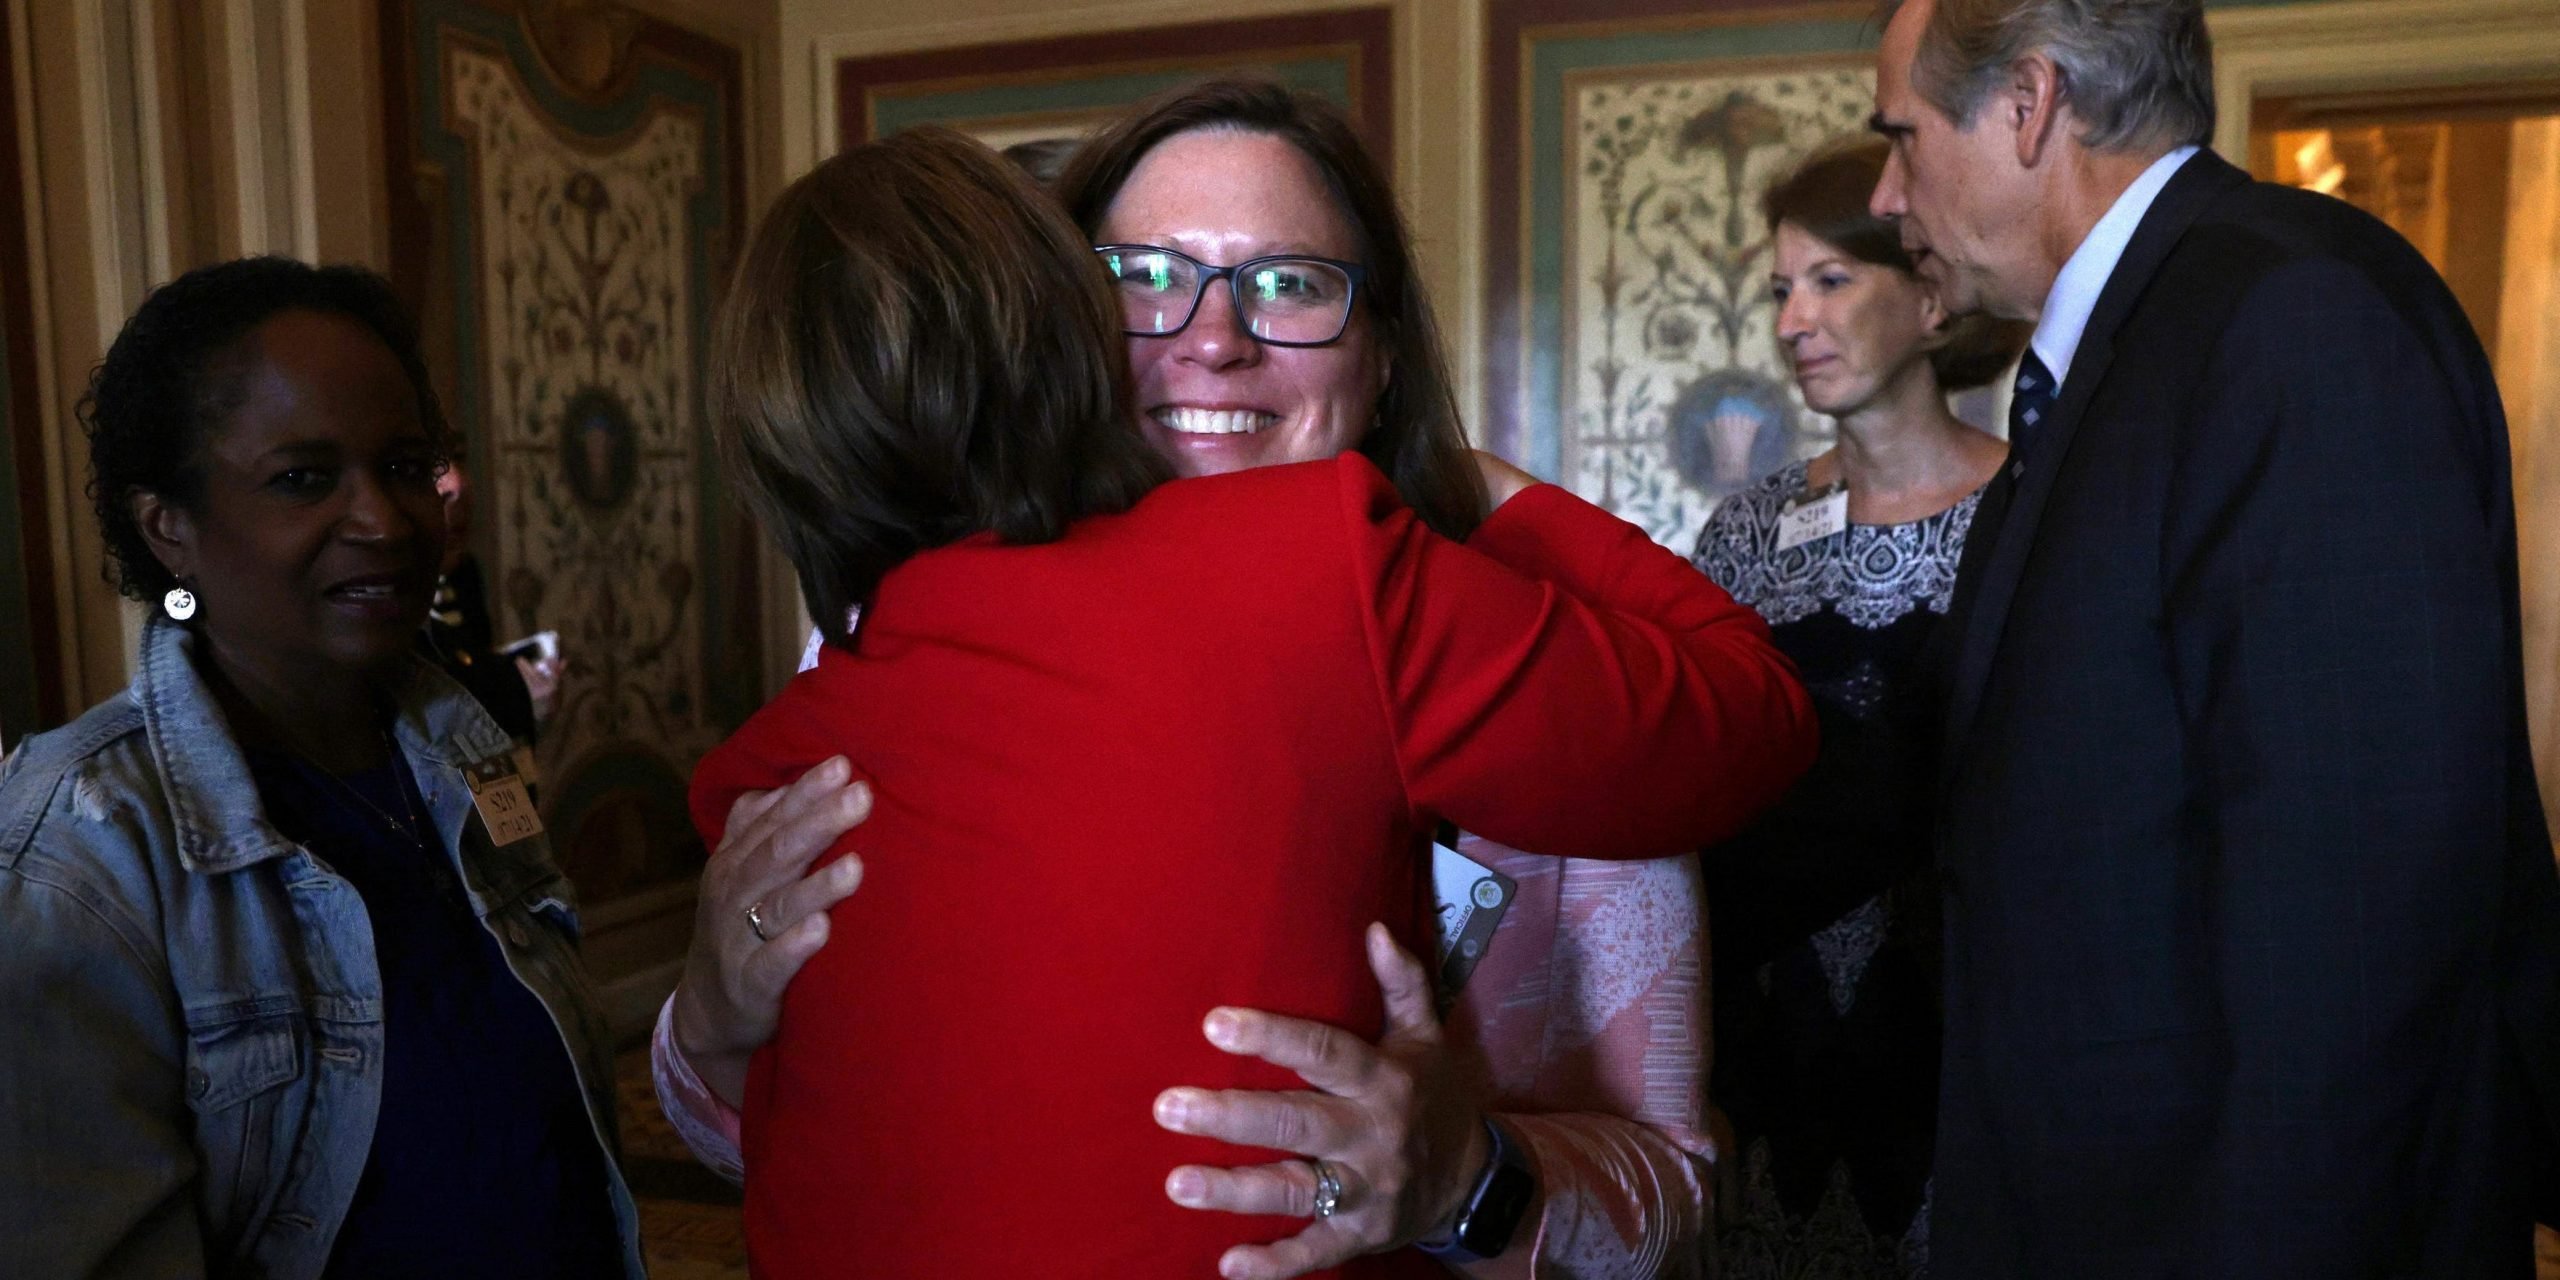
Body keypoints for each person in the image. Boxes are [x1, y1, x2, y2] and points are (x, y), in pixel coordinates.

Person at [657, 80, 1756, 1277]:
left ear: (1383, 355)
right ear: (1058, 326)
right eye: (1142, 277)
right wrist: (710, 1019)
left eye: (1289, 283)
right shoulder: (876, 650)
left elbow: (1674, 1193)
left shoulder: (1554, 658)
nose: (1212, 339)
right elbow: (803, 1138)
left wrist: (1468, 1179)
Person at [1866, 0, 2560, 1272]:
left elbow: (2359, 929)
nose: (1886, 187)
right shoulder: (2135, 343)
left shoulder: (2291, 321)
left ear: (2027, 106)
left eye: (1903, 137)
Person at [0, 257, 639, 1276]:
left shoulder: (453, 755)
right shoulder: (78, 852)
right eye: (303, 477)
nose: (383, 520)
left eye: (403, 465)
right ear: (170, 526)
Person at [1690, 139, 2024, 1277]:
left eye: (1830, 280)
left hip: (1962, 1035)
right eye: (1780, 289)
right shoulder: (1742, 532)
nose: (1792, 319)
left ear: (1929, 295)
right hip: (1764, 1032)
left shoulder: (2029, 515)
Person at [418, 445, 557, 745]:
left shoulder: (463, 574)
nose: (456, 491)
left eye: (463, 498)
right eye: (444, 497)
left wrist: (524, 697)